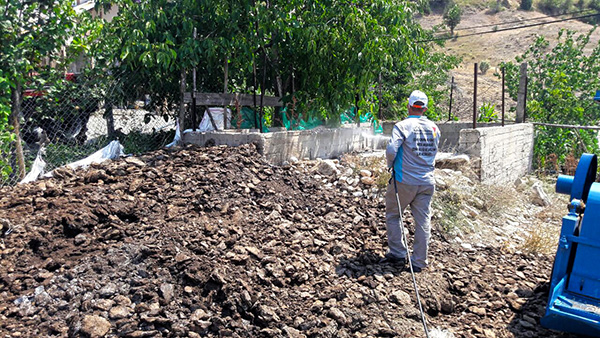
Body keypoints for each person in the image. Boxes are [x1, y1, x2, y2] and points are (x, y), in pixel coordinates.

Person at [382, 90, 440, 272]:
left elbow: (392, 149)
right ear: (425, 108)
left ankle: (398, 254)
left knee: (393, 215)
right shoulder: (435, 128)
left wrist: (390, 164)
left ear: (408, 105)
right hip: (427, 181)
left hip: (404, 180)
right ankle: (419, 262)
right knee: (423, 221)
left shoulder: (403, 126)